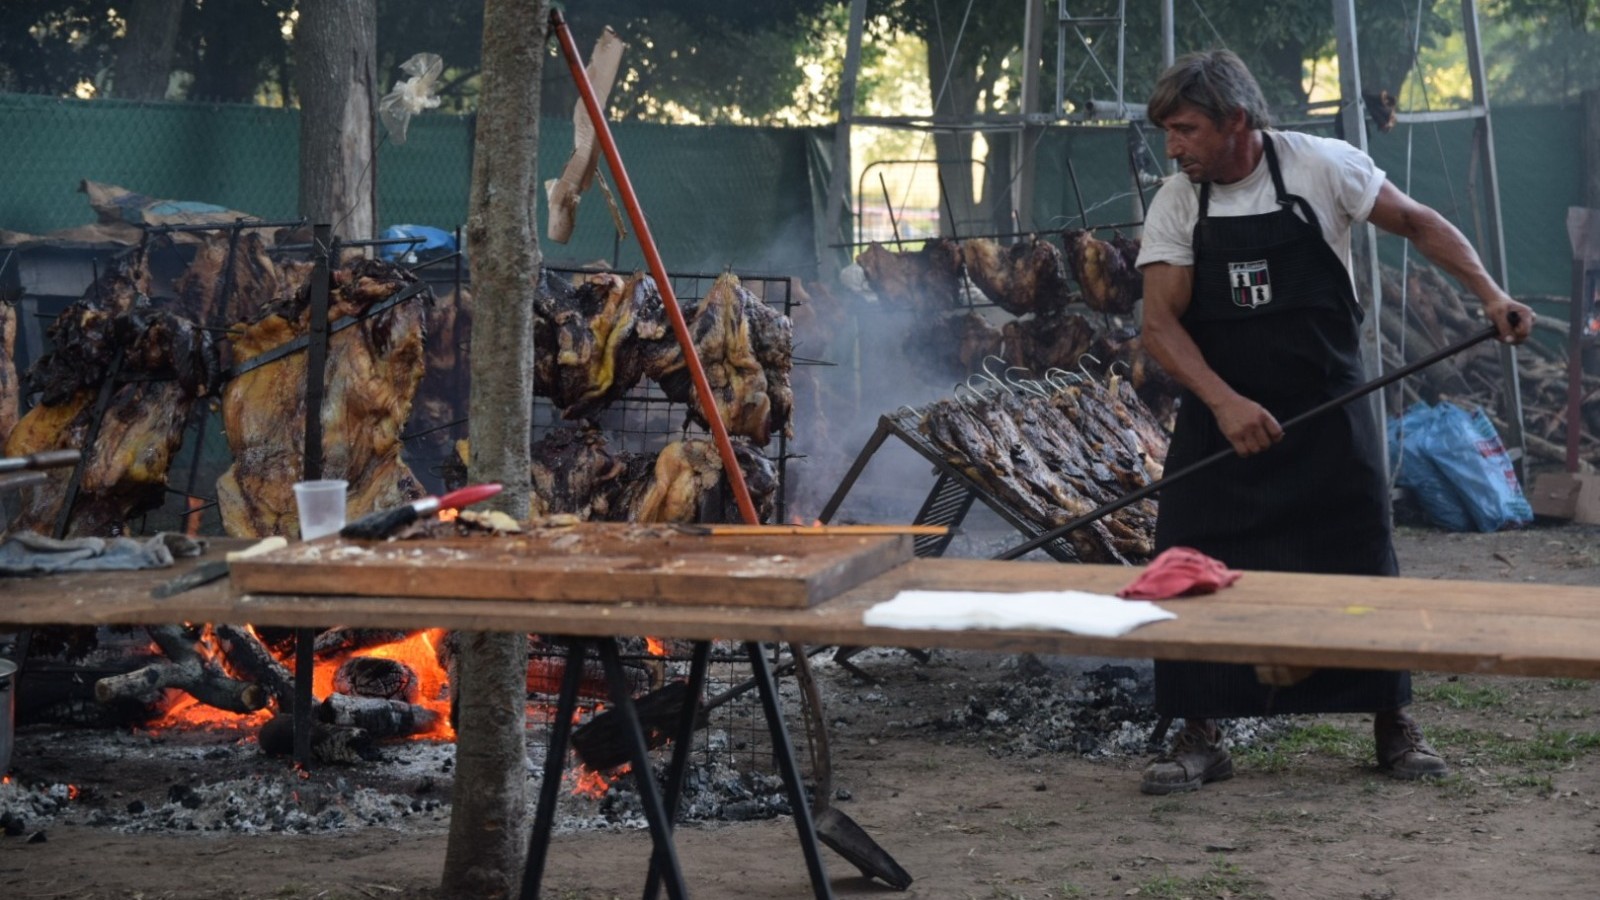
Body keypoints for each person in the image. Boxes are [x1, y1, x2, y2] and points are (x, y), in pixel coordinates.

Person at [1132, 50, 1534, 795]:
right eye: (1168, 132)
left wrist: (1488, 294)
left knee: (1360, 557)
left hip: (1326, 407)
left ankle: (1392, 720)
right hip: (1224, 417)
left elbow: (1417, 222)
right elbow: (1160, 326)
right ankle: (1200, 732)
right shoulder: (1179, 201)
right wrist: (1223, 404)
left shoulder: (1325, 167)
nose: (1174, 146)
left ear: (1236, 122)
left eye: (1185, 129)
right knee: (1187, 564)